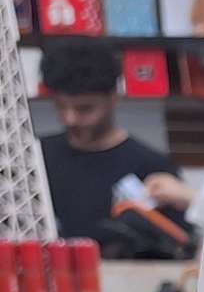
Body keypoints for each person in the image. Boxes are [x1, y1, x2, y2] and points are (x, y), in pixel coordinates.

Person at [37, 41, 193, 248]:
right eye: (60, 106)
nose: (70, 119)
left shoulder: (154, 169)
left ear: (114, 97)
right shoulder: (36, 157)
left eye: (84, 109)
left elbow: (178, 247)